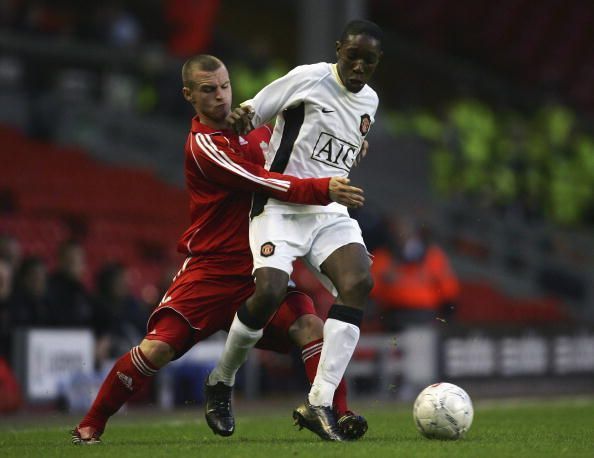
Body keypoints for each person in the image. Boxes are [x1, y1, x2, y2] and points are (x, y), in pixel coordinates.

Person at [71, 54, 366, 445]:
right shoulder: (203, 146)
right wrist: (323, 187)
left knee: (310, 326)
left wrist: (349, 146)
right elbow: (265, 181)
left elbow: (306, 148)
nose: (221, 96)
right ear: (189, 95)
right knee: (156, 350)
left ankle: (337, 414)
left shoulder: (260, 130)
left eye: (225, 86)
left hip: (262, 266)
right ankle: (90, 424)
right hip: (211, 272)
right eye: (208, 90)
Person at [206, 19, 383, 441]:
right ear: (339, 49)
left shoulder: (371, 102)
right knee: (268, 291)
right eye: (352, 55)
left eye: (368, 61)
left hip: (327, 210)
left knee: (358, 282)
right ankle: (221, 380)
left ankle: (319, 403)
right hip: (281, 205)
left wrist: (356, 149)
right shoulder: (309, 78)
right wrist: (241, 116)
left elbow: (346, 142)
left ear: (377, 63)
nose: (358, 66)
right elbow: (255, 109)